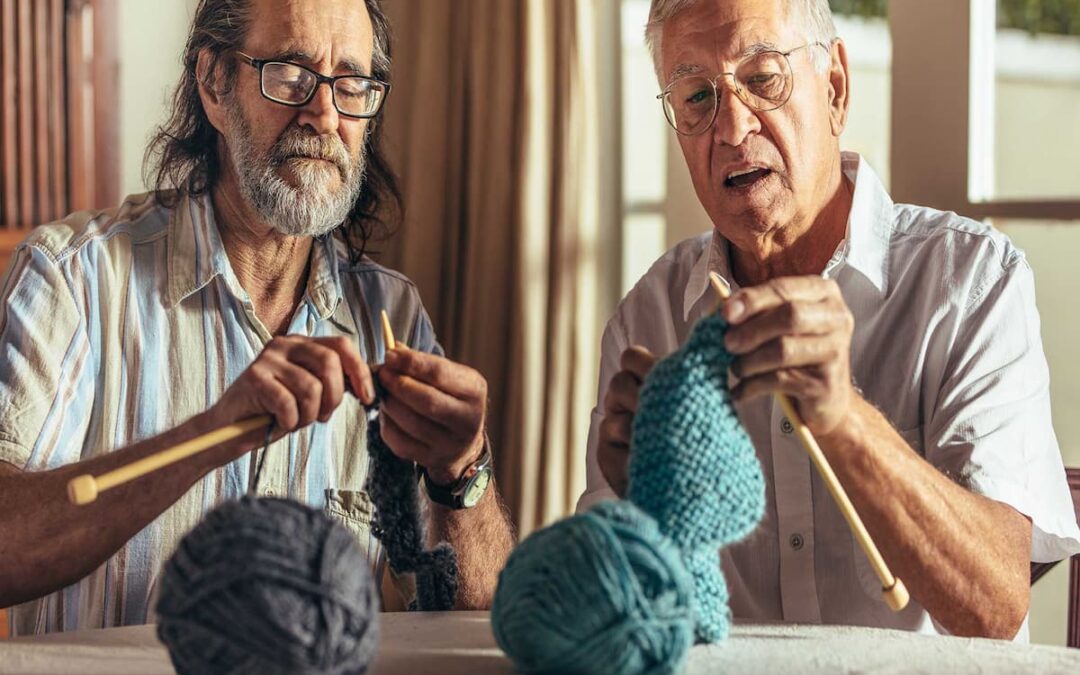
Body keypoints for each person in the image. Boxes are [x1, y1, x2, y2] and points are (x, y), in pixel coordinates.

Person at [0, 0, 514, 634]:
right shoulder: (73, 277)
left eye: (351, 83)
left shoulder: (391, 314)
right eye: (291, 73)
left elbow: (472, 626)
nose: (325, 114)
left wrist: (462, 469)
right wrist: (206, 437)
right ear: (215, 84)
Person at [579, 0, 1080, 641]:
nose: (731, 128)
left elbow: (995, 606)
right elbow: (614, 625)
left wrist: (844, 418)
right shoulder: (648, 319)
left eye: (762, 79)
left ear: (835, 89)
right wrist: (647, 513)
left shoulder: (972, 281)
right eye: (698, 96)